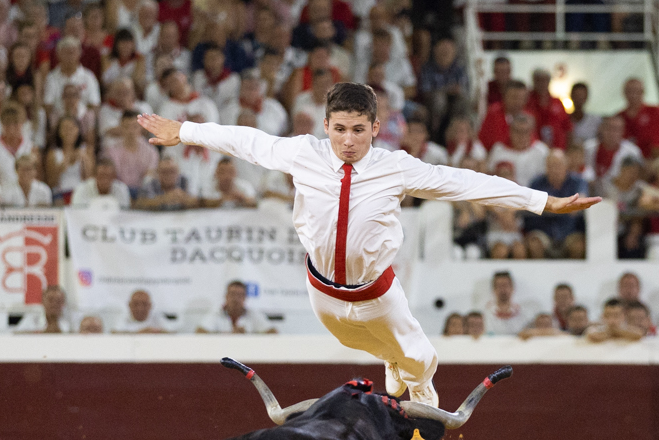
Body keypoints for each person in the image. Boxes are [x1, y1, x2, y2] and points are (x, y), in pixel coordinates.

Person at [138, 83, 596, 407]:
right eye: (339, 129)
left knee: (421, 358)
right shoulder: (304, 153)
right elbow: (247, 141)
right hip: (323, 296)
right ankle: (394, 366)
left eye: (359, 130)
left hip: (378, 293)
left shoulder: (397, 167)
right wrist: (185, 131)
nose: (348, 141)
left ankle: (420, 397)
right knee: (366, 345)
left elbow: (463, 182)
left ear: (376, 128)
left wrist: (543, 202)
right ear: (326, 125)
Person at [196, 280, 276, 334]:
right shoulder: (217, 313)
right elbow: (199, 332)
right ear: (226, 296)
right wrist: (229, 335)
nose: (236, 299)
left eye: (239, 295)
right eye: (232, 294)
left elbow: (273, 332)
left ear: (245, 297)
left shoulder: (252, 314)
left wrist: (248, 336)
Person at [483, 270, 532, 335]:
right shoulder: (485, 314)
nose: (503, 290)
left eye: (506, 285)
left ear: (512, 288)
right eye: (499, 286)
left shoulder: (524, 314)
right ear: (494, 289)